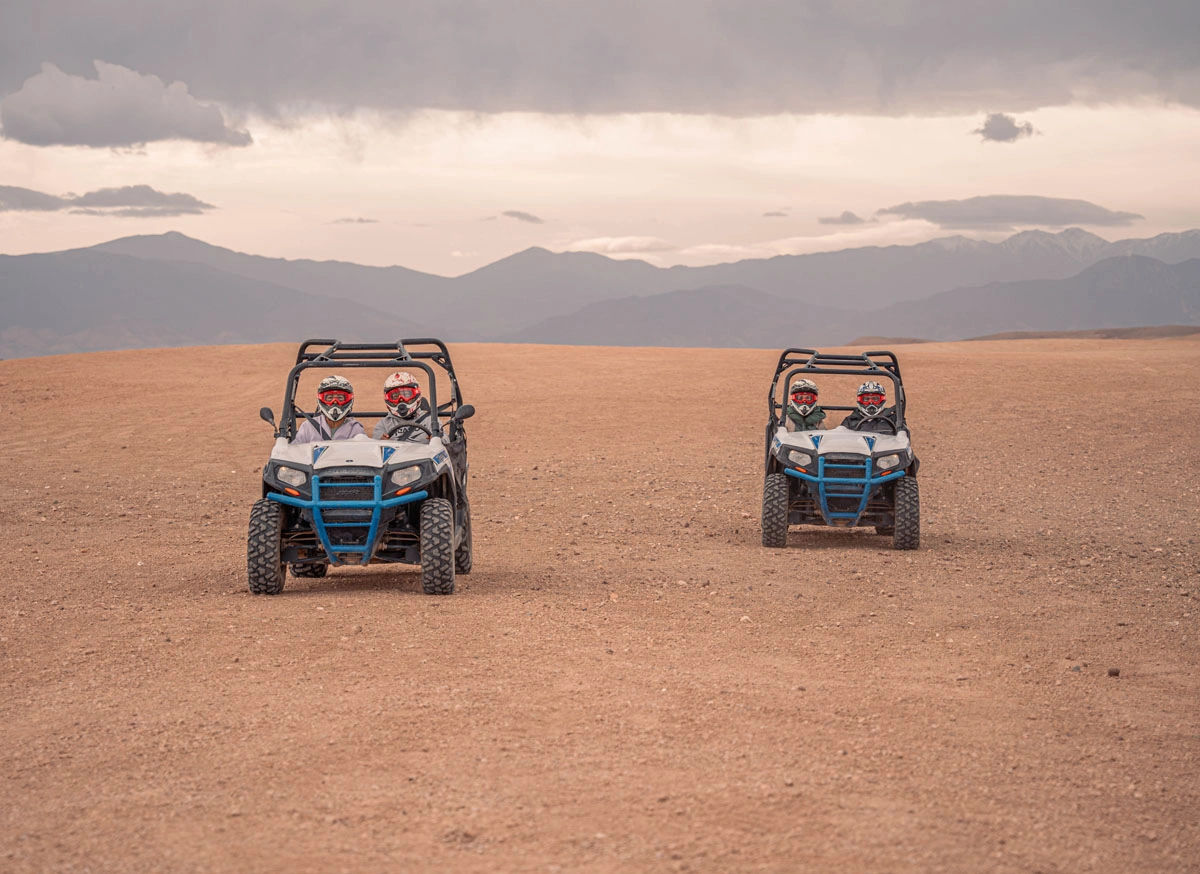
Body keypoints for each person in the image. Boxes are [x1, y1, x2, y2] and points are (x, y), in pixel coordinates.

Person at [292, 375, 366, 442]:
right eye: (329, 398)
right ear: (321, 399)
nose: (335, 402)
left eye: (340, 398)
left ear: (349, 400)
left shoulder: (355, 429)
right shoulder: (308, 427)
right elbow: (296, 451)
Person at [374, 370, 434, 440]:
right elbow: (374, 447)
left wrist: (436, 439)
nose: (401, 399)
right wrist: (380, 442)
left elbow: (445, 442)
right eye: (395, 396)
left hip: (424, 451)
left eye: (406, 394)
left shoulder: (430, 421)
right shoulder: (384, 424)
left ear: (416, 394)